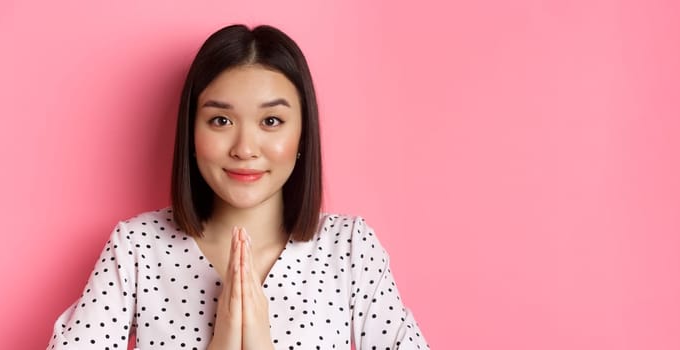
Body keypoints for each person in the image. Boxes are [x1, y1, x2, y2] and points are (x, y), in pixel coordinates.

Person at [47, 24, 429, 350]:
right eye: (220, 121)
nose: (245, 149)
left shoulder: (348, 248)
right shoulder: (137, 248)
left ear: (302, 134)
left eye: (272, 121)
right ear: (191, 132)